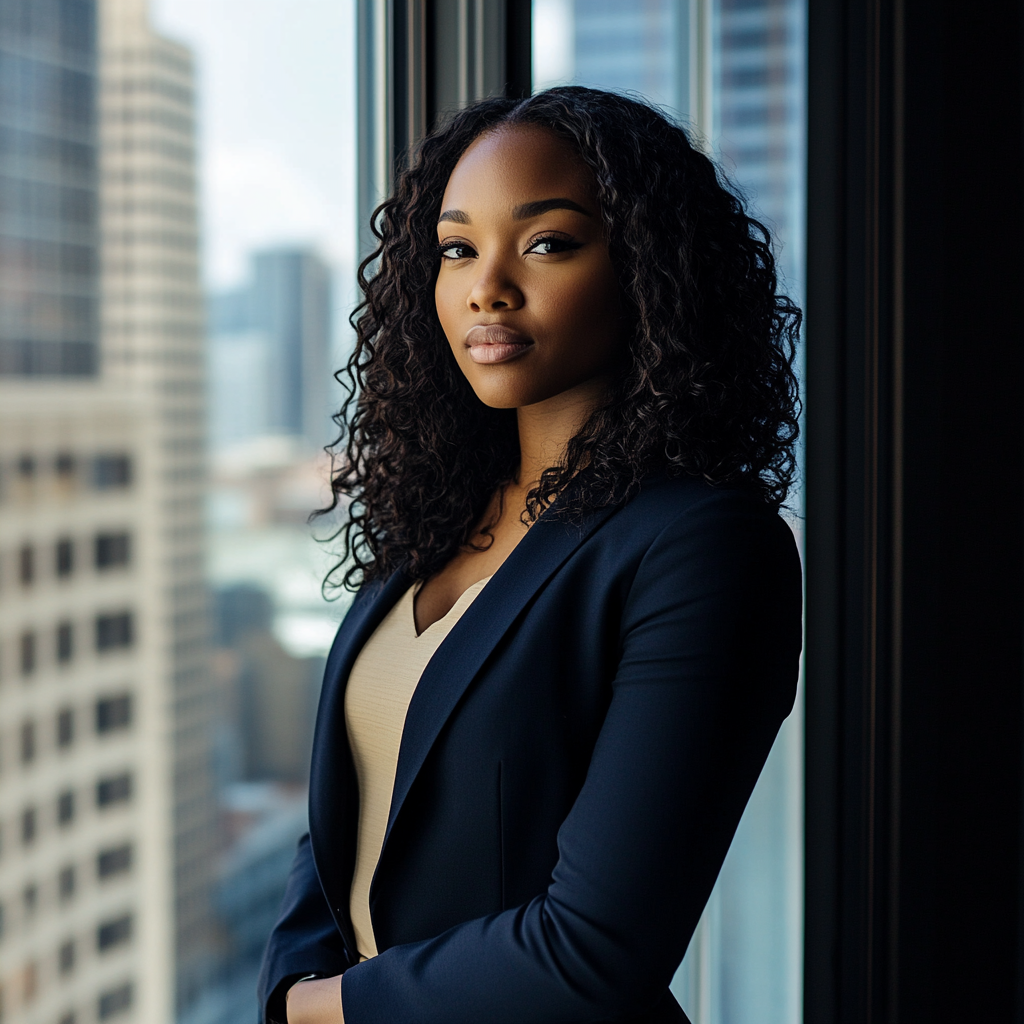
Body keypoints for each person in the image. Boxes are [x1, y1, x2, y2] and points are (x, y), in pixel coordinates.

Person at [258, 86, 802, 1024]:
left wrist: (319, 1011)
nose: (487, 287)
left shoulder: (704, 547)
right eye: (457, 248)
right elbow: (347, 812)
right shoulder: (432, 521)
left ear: (649, 268)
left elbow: (593, 947)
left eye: (547, 243)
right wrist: (287, 984)